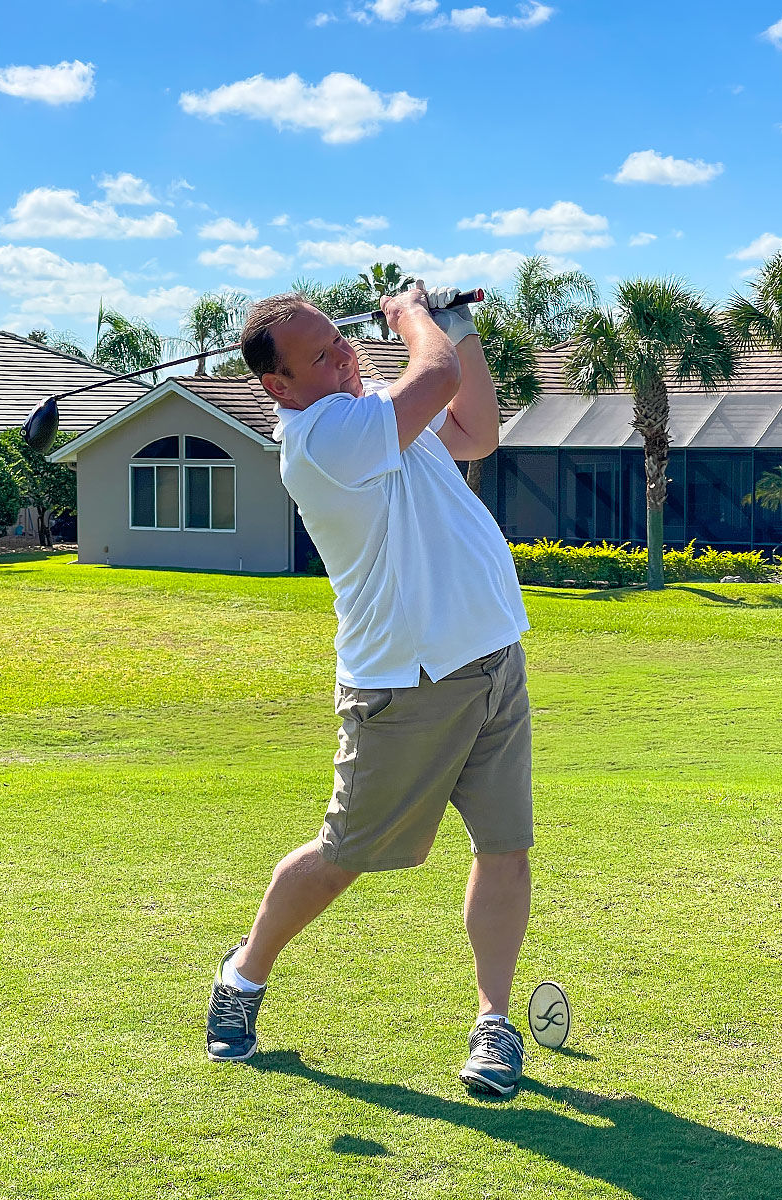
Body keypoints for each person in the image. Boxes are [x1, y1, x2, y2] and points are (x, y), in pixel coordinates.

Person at [206, 281, 533, 1097]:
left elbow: (477, 432)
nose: (346, 355)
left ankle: (494, 1023)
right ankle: (244, 973)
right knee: (344, 856)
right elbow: (437, 377)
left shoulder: (375, 411)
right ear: (278, 385)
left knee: (504, 847)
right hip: (406, 683)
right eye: (322, 355)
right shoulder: (323, 439)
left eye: (340, 339)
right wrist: (411, 314)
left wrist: (458, 326)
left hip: (494, 657)